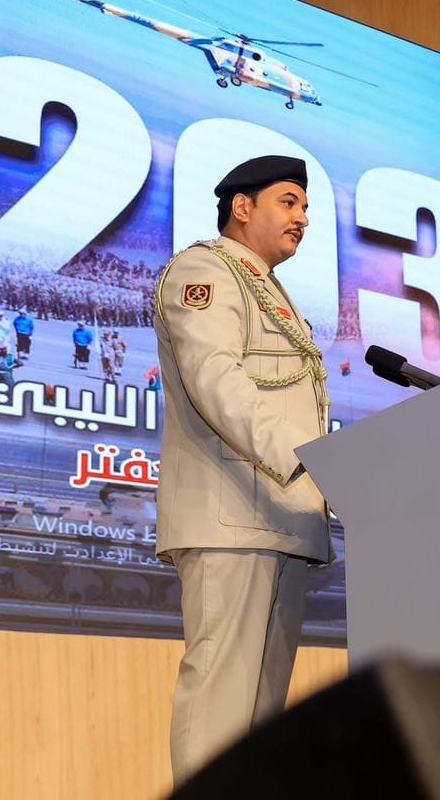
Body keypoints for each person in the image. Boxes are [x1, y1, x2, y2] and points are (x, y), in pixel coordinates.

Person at [154, 155, 332, 784]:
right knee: (220, 707)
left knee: (259, 730)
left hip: (283, 518)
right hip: (232, 515)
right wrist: (308, 463)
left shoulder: (270, 290)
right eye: (289, 202)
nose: (302, 218)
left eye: (305, 207)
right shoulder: (206, 270)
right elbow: (217, 380)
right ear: (242, 206)